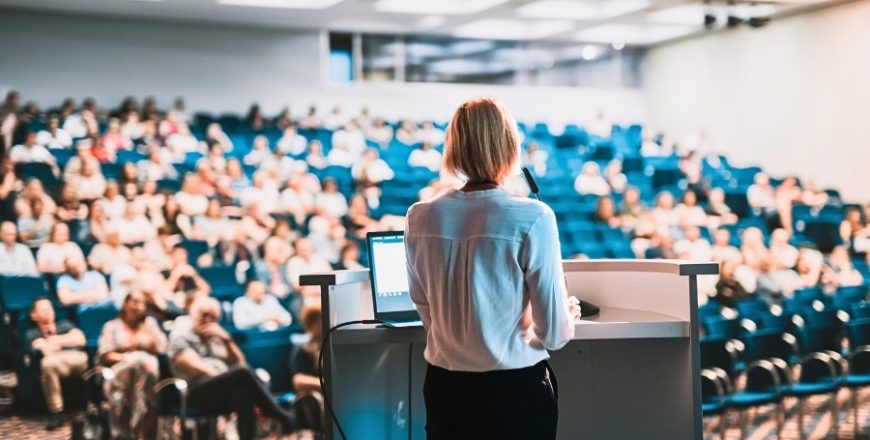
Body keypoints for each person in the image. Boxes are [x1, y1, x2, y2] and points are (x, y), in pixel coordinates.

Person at [404, 97, 578, 439]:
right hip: (514, 392)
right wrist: (568, 314)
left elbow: (425, 306)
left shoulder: (419, 216)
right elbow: (554, 336)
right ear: (509, 146)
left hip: (446, 389)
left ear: (454, 147)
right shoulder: (534, 216)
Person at [168, 298, 295, 439]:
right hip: (196, 391)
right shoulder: (182, 337)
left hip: (220, 391)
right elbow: (194, 367)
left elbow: (240, 362)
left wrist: (227, 339)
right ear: (193, 314)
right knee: (241, 373)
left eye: (213, 318)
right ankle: (280, 415)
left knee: (244, 395)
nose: (208, 320)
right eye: (204, 315)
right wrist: (227, 377)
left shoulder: (215, 338)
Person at [97, 291, 167, 439]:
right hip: (122, 370)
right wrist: (130, 359)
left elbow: (162, 348)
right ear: (125, 304)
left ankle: (141, 430)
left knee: (144, 367)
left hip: (148, 375)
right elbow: (106, 355)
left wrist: (149, 341)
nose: (138, 306)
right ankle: (135, 432)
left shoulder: (150, 325)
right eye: (134, 301)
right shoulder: (112, 326)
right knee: (138, 363)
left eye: (142, 303)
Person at [26, 297, 88, 430]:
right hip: (57, 363)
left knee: (92, 360)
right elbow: (46, 350)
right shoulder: (33, 333)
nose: (48, 311)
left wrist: (55, 340)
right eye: (43, 309)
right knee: (47, 364)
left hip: (77, 358)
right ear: (34, 315)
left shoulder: (64, 324)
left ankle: (94, 405)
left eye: (50, 308)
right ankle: (57, 412)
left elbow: (81, 339)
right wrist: (67, 340)